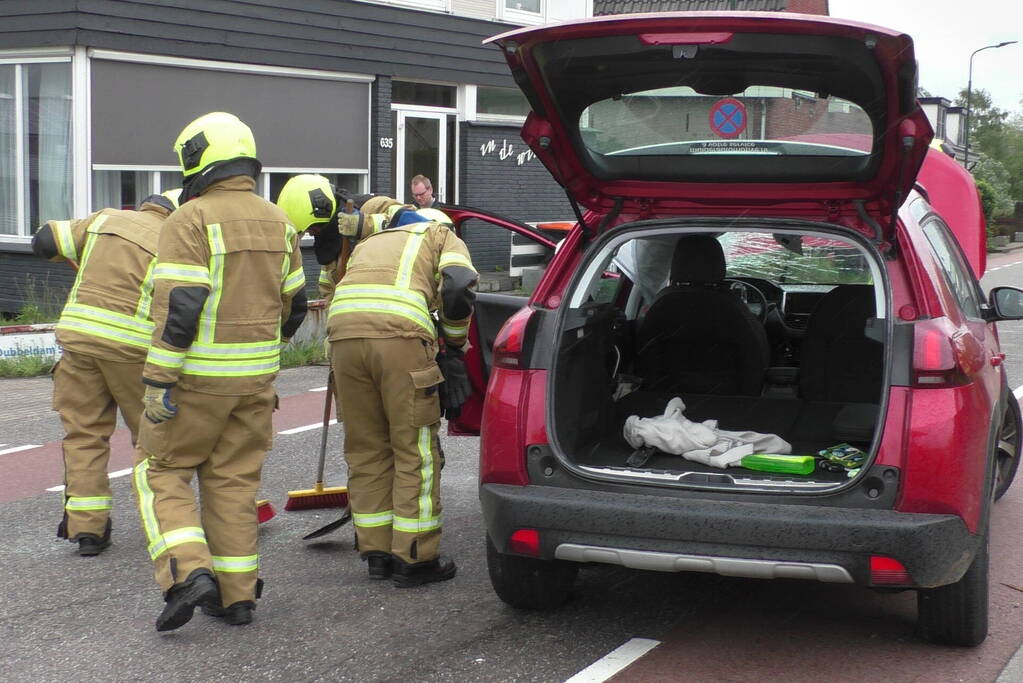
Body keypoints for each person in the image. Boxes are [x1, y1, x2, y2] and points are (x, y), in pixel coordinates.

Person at [133, 112, 307, 631]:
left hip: (193, 382)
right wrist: (258, 351)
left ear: (196, 160)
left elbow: (182, 306)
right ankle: (235, 598)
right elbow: (295, 307)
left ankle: (188, 575)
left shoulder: (189, 219)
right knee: (233, 482)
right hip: (254, 384)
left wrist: (159, 378)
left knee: (159, 470)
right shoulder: (280, 220)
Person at [325, 199, 476, 586]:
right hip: (400, 339)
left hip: (342, 338)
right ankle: (415, 557)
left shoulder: (371, 242)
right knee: (414, 449)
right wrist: (455, 344)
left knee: (366, 447)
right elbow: (458, 285)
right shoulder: (441, 234)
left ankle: (376, 552)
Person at [31, 190, 180, 556]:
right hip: (131, 351)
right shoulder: (176, 241)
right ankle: (167, 526)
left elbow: (43, 241)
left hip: (79, 342)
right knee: (150, 440)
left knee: (83, 434)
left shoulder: (103, 220)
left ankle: (87, 530)